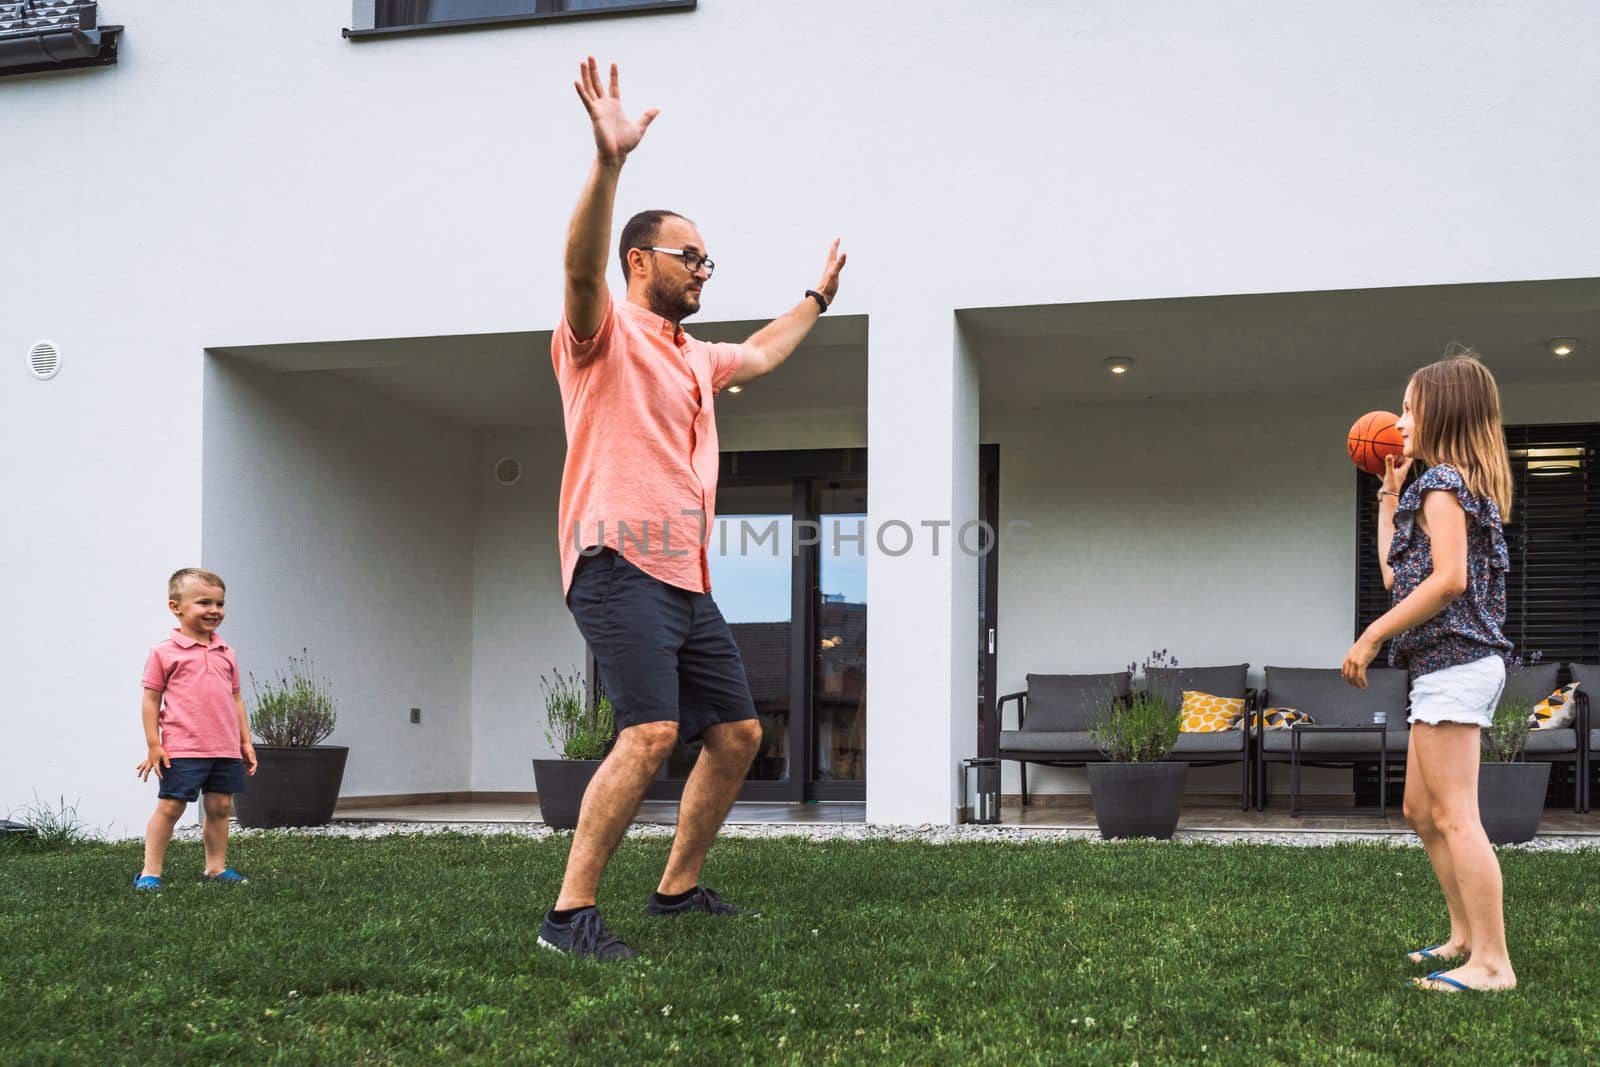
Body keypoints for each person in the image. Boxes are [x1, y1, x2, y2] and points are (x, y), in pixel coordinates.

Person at [537, 57, 846, 961]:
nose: (704, 268)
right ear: (642, 261)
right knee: (652, 729)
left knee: (740, 731)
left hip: (686, 576)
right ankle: (568, 916)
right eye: (690, 256)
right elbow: (576, 267)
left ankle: (675, 888)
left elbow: (761, 352)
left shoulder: (691, 354)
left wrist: (818, 296)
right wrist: (608, 164)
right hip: (615, 561)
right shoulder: (599, 336)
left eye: (710, 258)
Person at [1341, 350, 1517, 992]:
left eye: (1410, 406)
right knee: (1421, 808)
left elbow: (1447, 581)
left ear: (1439, 411)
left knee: (1455, 816)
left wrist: (1370, 636)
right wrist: (1388, 495)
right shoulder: (1437, 485)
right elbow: (1398, 575)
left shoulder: (1444, 483)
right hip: (1444, 666)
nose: (1400, 419)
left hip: (1457, 663)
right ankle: (1463, 935)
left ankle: (1492, 962)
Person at [134, 568, 257, 890]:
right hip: (184, 747)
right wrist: (154, 745)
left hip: (225, 748)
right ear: (176, 607)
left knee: (219, 807)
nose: (214, 610)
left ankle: (216, 868)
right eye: (204, 602)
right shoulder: (164, 652)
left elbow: (236, 699)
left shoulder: (226, 652)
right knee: (171, 806)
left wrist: (245, 741)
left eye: (219, 603)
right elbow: (151, 699)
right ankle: (150, 872)